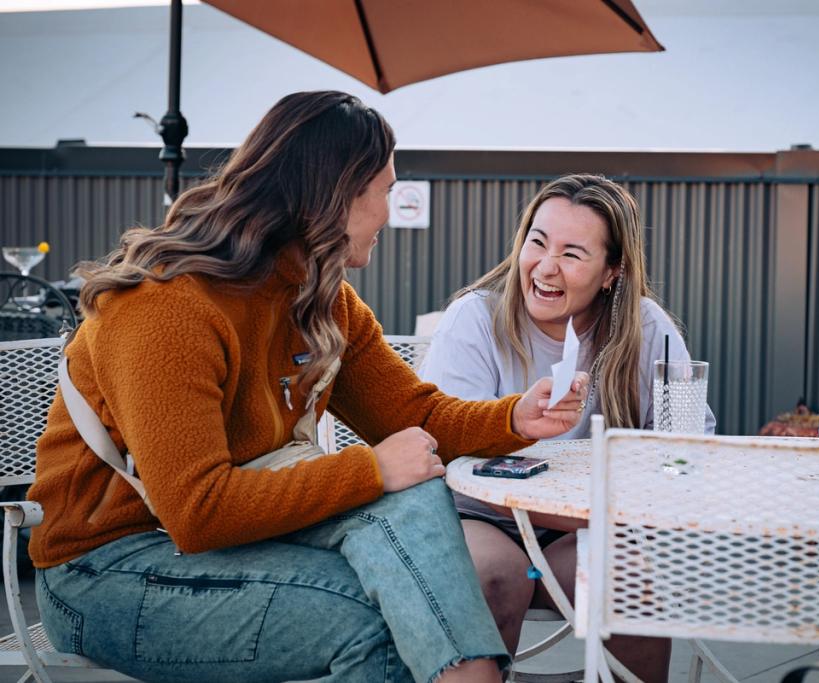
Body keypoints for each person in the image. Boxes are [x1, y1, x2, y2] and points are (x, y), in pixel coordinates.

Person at [26, 91, 590, 683]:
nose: (392, 213)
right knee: (383, 617)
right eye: (385, 192)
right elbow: (198, 512)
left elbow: (414, 415)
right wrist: (370, 470)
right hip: (105, 571)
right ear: (335, 198)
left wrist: (515, 419)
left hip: (229, 545)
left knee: (413, 510)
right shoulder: (166, 307)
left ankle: (470, 673)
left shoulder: (319, 298)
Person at [418, 173, 715, 682]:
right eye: (538, 241)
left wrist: (621, 500)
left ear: (611, 272)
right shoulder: (475, 318)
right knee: (493, 575)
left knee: (626, 581)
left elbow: (687, 447)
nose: (546, 267)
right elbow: (446, 443)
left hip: (584, 528)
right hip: (478, 518)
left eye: (573, 253)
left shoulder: (645, 327)